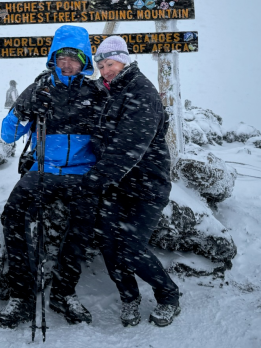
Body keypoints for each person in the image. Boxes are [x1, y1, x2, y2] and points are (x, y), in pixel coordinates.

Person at [0, 25, 103, 329]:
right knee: (12, 216)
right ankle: (21, 294)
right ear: (52, 58)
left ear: (85, 62)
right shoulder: (38, 89)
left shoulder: (95, 94)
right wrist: (27, 111)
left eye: (74, 57)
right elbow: (7, 134)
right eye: (61, 56)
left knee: (80, 229)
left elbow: (111, 133)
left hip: (81, 174)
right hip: (41, 170)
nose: (67, 63)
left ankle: (64, 293)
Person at [83, 35, 181, 327]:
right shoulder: (109, 92)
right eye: (100, 66)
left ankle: (168, 295)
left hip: (147, 187)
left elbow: (129, 146)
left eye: (110, 63)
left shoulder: (141, 92)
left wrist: (94, 180)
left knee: (131, 246)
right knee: (109, 245)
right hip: (116, 187)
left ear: (123, 61)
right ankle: (129, 298)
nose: (105, 70)